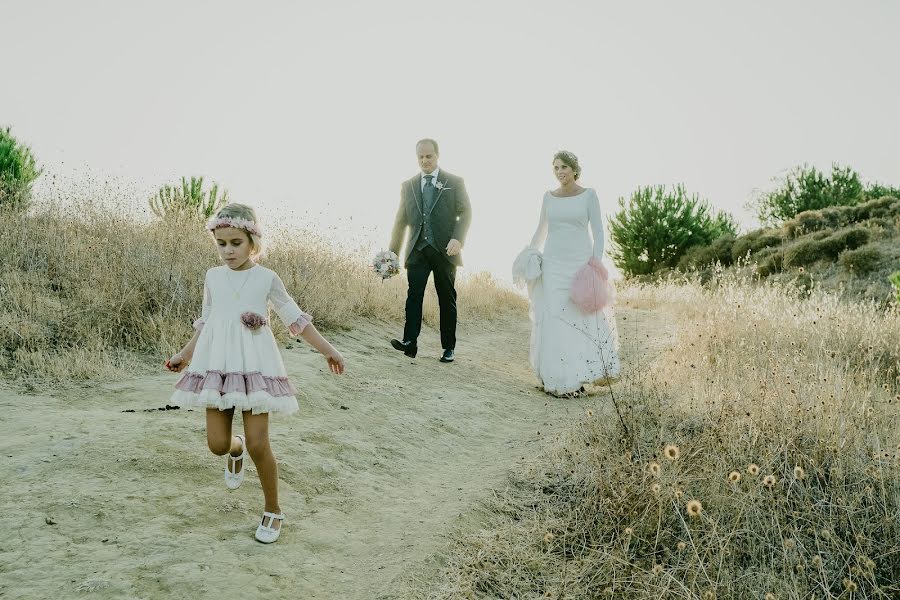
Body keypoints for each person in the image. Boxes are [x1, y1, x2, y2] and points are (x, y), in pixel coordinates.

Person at [166, 203, 345, 543]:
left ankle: (273, 509)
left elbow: (296, 319)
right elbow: (207, 322)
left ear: (252, 242)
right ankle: (235, 451)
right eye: (222, 243)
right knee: (217, 444)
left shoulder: (266, 278)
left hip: (255, 367)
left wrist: (328, 350)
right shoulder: (212, 277)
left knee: (259, 443)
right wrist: (185, 355)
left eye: (236, 243)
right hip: (217, 366)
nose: (228, 250)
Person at [514, 151, 620, 397]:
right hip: (553, 265)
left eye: (564, 167)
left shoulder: (589, 195)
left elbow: (599, 232)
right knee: (554, 317)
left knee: (578, 318)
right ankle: (558, 378)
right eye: (556, 168)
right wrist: (531, 253)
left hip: (580, 265)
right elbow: (541, 229)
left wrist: (595, 263)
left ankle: (580, 375)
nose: (560, 172)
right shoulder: (548, 198)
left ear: (574, 169)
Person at [388, 138, 472, 363]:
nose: (424, 161)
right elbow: (400, 221)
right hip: (417, 249)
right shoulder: (408, 186)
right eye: (421, 157)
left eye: (429, 156)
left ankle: (448, 347)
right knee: (413, 296)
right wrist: (392, 254)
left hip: (445, 250)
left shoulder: (454, 182)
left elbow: (466, 212)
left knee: (446, 298)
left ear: (437, 156)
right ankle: (410, 342)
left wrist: (458, 239)